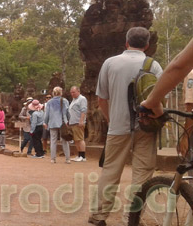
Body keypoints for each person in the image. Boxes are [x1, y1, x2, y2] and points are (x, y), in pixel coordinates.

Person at [89, 27, 163, 226]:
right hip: (146, 127)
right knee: (142, 174)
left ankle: (98, 216)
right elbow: (158, 98)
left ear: (126, 42)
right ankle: (130, 219)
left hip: (117, 126)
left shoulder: (110, 63)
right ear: (147, 45)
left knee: (110, 171)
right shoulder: (153, 65)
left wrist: (111, 119)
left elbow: (102, 98)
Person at [43, 87, 70, 164]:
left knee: (53, 140)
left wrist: (45, 122)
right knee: (65, 140)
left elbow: (46, 114)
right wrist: (68, 120)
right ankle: (67, 158)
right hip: (63, 122)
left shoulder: (49, 102)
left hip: (52, 122)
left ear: (53, 93)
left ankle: (53, 158)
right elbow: (67, 112)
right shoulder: (64, 101)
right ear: (61, 93)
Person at [68, 86, 88, 162]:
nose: (72, 94)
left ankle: (83, 156)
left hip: (78, 122)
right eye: (71, 92)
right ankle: (79, 154)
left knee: (80, 139)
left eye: (74, 92)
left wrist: (81, 120)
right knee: (76, 140)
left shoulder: (82, 99)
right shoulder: (73, 100)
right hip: (72, 122)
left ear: (78, 91)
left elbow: (83, 110)